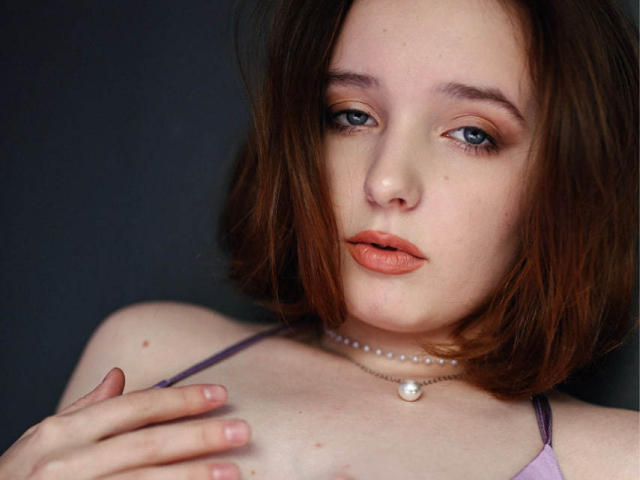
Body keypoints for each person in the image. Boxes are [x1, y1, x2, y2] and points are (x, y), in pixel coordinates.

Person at [1, 0, 637, 478]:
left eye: (473, 134)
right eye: (352, 116)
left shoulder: (614, 460)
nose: (385, 181)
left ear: (568, 180)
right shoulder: (146, 352)